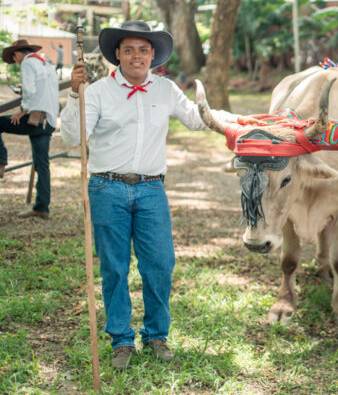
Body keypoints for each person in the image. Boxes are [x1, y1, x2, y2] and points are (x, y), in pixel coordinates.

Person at [60, 20, 238, 371]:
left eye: (143, 49)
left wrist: (240, 124)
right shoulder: (96, 93)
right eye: (129, 49)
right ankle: (122, 341)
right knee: (114, 266)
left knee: (160, 264)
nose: (136, 56)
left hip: (151, 188)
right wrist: (73, 94)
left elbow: (198, 119)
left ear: (153, 54)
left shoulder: (166, 90)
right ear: (117, 54)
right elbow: (71, 137)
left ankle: (156, 335)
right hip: (106, 187)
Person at [0, 39, 60, 218]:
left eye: (15, 58)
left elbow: (30, 90)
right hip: (47, 121)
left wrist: (22, 111)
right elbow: (42, 90)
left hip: (34, 119)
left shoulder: (27, 63)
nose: (16, 61)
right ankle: (42, 207)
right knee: (42, 165)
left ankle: (1, 160)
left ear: (18, 54)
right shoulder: (46, 64)